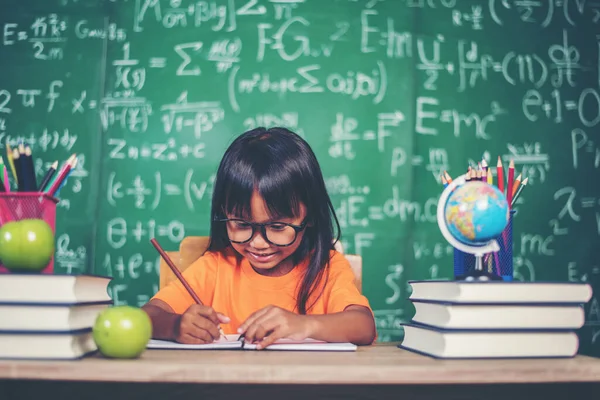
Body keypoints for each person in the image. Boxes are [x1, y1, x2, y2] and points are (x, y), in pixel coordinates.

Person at [142, 127, 376, 349]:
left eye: (277, 226)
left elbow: (364, 326)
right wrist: (174, 326)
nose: (258, 243)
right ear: (223, 214)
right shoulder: (215, 268)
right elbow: (148, 315)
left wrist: (304, 325)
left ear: (310, 216)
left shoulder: (327, 268)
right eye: (242, 225)